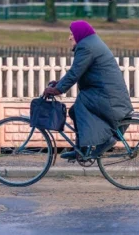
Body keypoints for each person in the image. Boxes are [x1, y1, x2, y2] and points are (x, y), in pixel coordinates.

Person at [43, 20, 133, 160]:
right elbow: (77, 71)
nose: (69, 37)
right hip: (106, 92)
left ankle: (101, 142)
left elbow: (74, 73)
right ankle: (81, 149)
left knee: (79, 108)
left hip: (105, 95)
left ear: (79, 34)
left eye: (71, 34)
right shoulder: (90, 43)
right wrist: (59, 84)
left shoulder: (86, 47)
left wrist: (57, 90)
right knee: (74, 111)